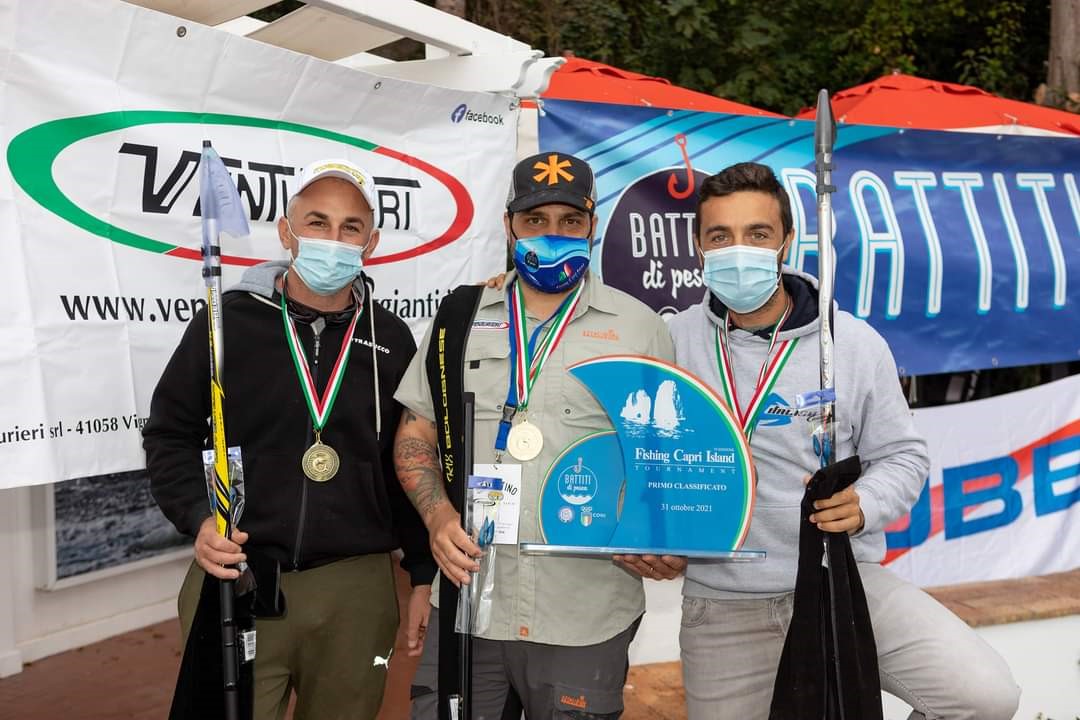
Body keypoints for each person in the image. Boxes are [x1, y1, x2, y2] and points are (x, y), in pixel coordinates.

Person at [669, 161, 1020, 719]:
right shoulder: (668, 340)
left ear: (786, 241)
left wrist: (865, 504)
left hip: (845, 583)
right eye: (720, 236)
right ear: (698, 247)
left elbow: (903, 456)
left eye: (757, 234)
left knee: (985, 696)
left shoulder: (851, 342)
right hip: (725, 605)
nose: (739, 249)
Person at [393, 151, 682, 719]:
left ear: (592, 225)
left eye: (570, 222)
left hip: (583, 611)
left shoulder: (640, 327)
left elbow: (665, 461)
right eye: (535, 221)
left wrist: (666, 536)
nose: (552, 235)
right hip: (470, 604)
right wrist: (437, 518)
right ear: (508, 226)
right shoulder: (459, 317)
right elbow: (416, 429)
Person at [144, 158, 434, 720]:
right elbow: (169, 434)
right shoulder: (225, 323)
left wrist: (421, 574)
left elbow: (405, 463)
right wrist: (199, 518)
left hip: (357, 589)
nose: (333, 239)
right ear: (286, 230)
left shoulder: (392, 338)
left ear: (371, 241)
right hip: (242, 574)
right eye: (317, 222)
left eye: (351, 227)